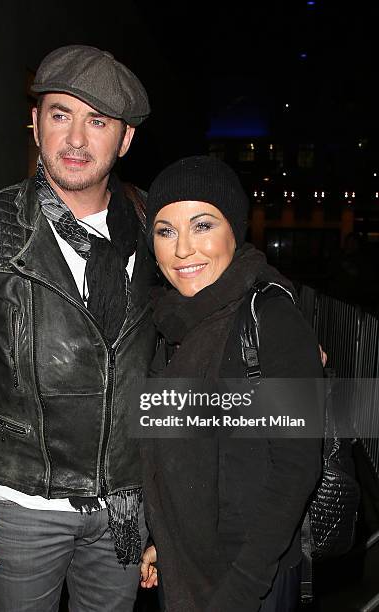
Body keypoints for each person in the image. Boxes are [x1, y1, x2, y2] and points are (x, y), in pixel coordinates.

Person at [0, 45, 158, 612]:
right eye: (60, 114)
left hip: (126, 503)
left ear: (125, 139)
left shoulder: (158, 227)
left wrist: (284, 336)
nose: (76, 140)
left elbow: (215, 296)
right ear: (35, 124)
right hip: (21, 501)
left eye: (98, 121)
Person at [139, 156, 323, 611]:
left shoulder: (270, 315)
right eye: (165, 231)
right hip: (184, 560)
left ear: (233, 230)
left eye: (202, 225)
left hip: (249, 573)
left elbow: (297, 466)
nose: (183, 249)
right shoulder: (168, 322)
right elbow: (173, 453)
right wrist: (163, 540)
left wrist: (244, 585)